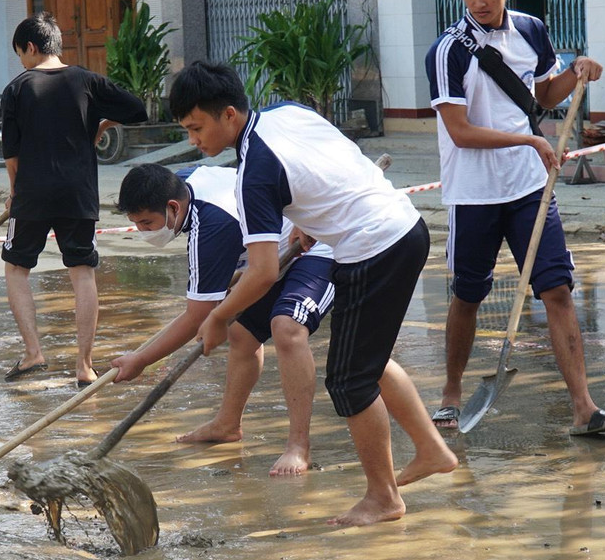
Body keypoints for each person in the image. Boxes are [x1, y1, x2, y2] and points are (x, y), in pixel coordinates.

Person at [169, 60, 457, 526]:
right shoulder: (287, 112)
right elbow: (337, 158)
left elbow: (262, 273)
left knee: (348, 381)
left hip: (373, 248)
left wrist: (220, 317)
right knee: (368, 357)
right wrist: (310, 215)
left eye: (196, 127)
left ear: (227, 114)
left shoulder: (254, 173)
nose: (193, 142)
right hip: (405, 227)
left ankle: (383, 498)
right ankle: (430, 449)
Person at [422, 0, 605, 435]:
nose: (478, 3)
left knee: (556, 290)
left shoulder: (531, 30)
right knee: (467, 295)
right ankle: (451, 394)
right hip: (474, 194)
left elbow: (541, 95)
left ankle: (584, 408)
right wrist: (528, 143)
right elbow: (460, 132)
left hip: (530, 188)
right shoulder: (447, 51)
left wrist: (579, 70)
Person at [111, 163, 335, 476]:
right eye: (135, 223)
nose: (143, 232)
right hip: (264, 260)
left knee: (287, 327)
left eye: (147, 223)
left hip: (312, 246)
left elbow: (197, 317)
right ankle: (228, 424)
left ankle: (299, 445)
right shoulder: (180, 182)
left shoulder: (211, 225)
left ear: (173, 207)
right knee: (242, 333)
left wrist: (141, 359)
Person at [0, 12, 145, 384]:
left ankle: (33, 353)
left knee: (17, 269)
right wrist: (101, 124)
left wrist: (14, 195)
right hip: (78, 192)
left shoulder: (17, 88)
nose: (22, 62)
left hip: (32, 193)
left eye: (21, 53)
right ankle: (84, 365)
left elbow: (11, 155)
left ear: (31, 47)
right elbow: (137, 110)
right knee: (82, 272)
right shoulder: (87, 81)